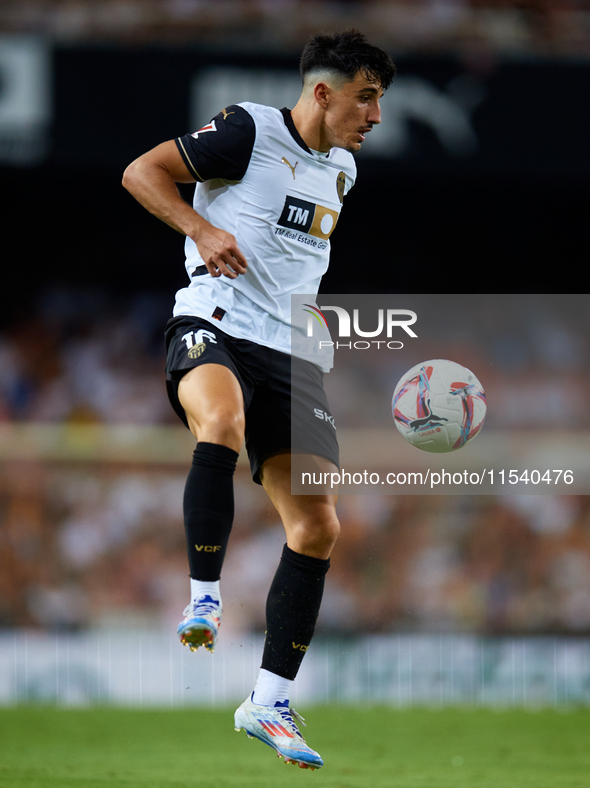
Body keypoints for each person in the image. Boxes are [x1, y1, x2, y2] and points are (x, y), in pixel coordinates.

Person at [122, 29, 396, 770]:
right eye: (366, 97)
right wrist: (200, 226)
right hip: (213, 322)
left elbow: (294, 262)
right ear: (323, 92)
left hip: (288, 353)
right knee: (220, 421)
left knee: (317, 526)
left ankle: (267, 701)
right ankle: (203, 597)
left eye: (379, 100)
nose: (374, 115)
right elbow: (141, 173)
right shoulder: (248, 129)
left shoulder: (341, 170)